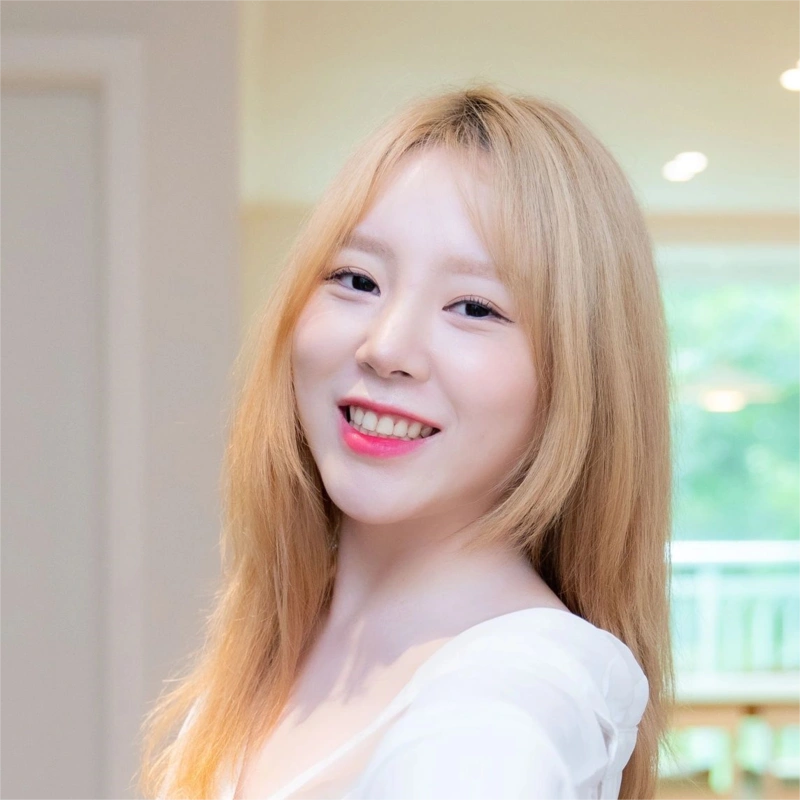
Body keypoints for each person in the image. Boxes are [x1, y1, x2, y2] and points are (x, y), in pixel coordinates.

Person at [139, 84, 675, 800]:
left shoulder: (512, 695)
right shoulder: (279, 648)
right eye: (357, 279)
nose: (386, 347)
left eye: (474, 307)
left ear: (582, 374)